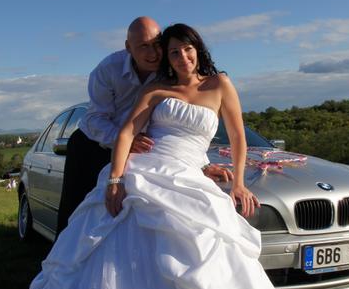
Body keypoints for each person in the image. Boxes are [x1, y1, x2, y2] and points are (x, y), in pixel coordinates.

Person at [0, 24, 315, 289]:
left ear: (198, 50)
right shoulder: (156, 88)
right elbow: (127, 131)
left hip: (188, 175)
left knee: (201, 254)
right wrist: (115, 179)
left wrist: (239, 182)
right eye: (173, 52)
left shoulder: (221, 84)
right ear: (164, 57)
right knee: (109, 249)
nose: (182, 58)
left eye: (187, 50)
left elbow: (237, 137)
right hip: (145, 171)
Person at [56, 17, 231, 236]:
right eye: (143, 46)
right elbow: (94, 118)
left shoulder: (171, 68)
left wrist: (201, 163)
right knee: (78, 215)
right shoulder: (108, 70)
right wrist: (125, 141)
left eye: (157, 44)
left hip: (146, 150)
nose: (153, 53)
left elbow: (182, 126)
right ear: (128, 47)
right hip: (95, 144)